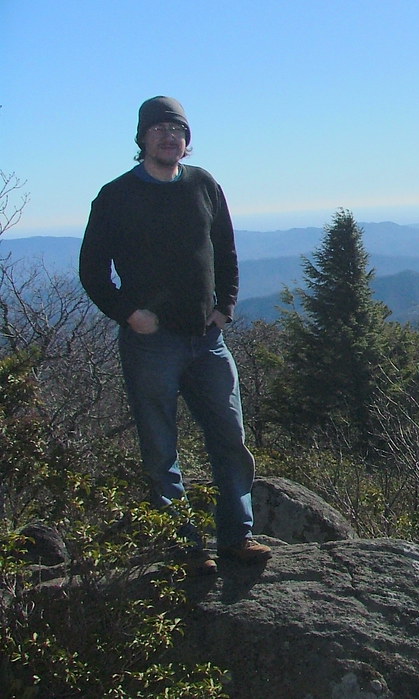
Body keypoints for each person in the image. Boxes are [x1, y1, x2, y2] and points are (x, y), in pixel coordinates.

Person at [79, 96, 271, 574]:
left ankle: (236, 538)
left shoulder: (203, 185)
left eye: (177, 129)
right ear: (142, 137)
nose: (169, 136)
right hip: (151, 342)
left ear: (187, 141)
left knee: (229, 438)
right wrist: (128, 314)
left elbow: (225, 253)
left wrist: (224, 310)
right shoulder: (115, 195)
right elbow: (92, 270)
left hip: (208, 340)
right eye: (159, 128)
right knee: (161, 448)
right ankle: (185, 549)